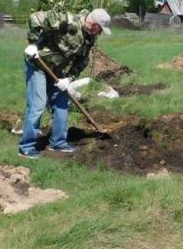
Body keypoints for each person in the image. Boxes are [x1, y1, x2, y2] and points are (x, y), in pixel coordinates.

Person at [18, 8, 112, 159]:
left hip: (56, 70)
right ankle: (26, 147)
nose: (99, 33)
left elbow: (82, 61)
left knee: (62, 103)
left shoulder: (89, 37)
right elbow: (35, 18)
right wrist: (33, 43)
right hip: (38, 64)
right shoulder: (68, 20)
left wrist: (69, 78)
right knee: (38, 104)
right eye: (100, 29)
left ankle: (58, 143)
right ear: (93, 23)